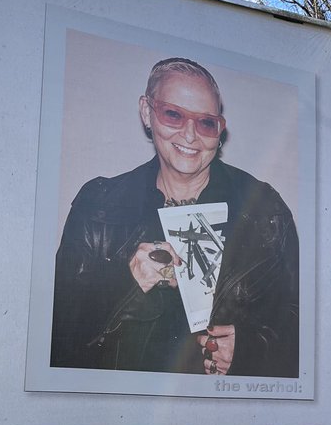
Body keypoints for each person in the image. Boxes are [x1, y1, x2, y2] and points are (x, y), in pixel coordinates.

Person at [50, 57, 299, 377]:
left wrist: (251, 350)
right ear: (147, 112)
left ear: (220, 129)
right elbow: (58, 336)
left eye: (206, 122)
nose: (190, 135)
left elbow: (300, 325)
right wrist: (126, 284)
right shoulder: (99, 205)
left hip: (223, 417)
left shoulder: (265, 209)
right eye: (173, 114)